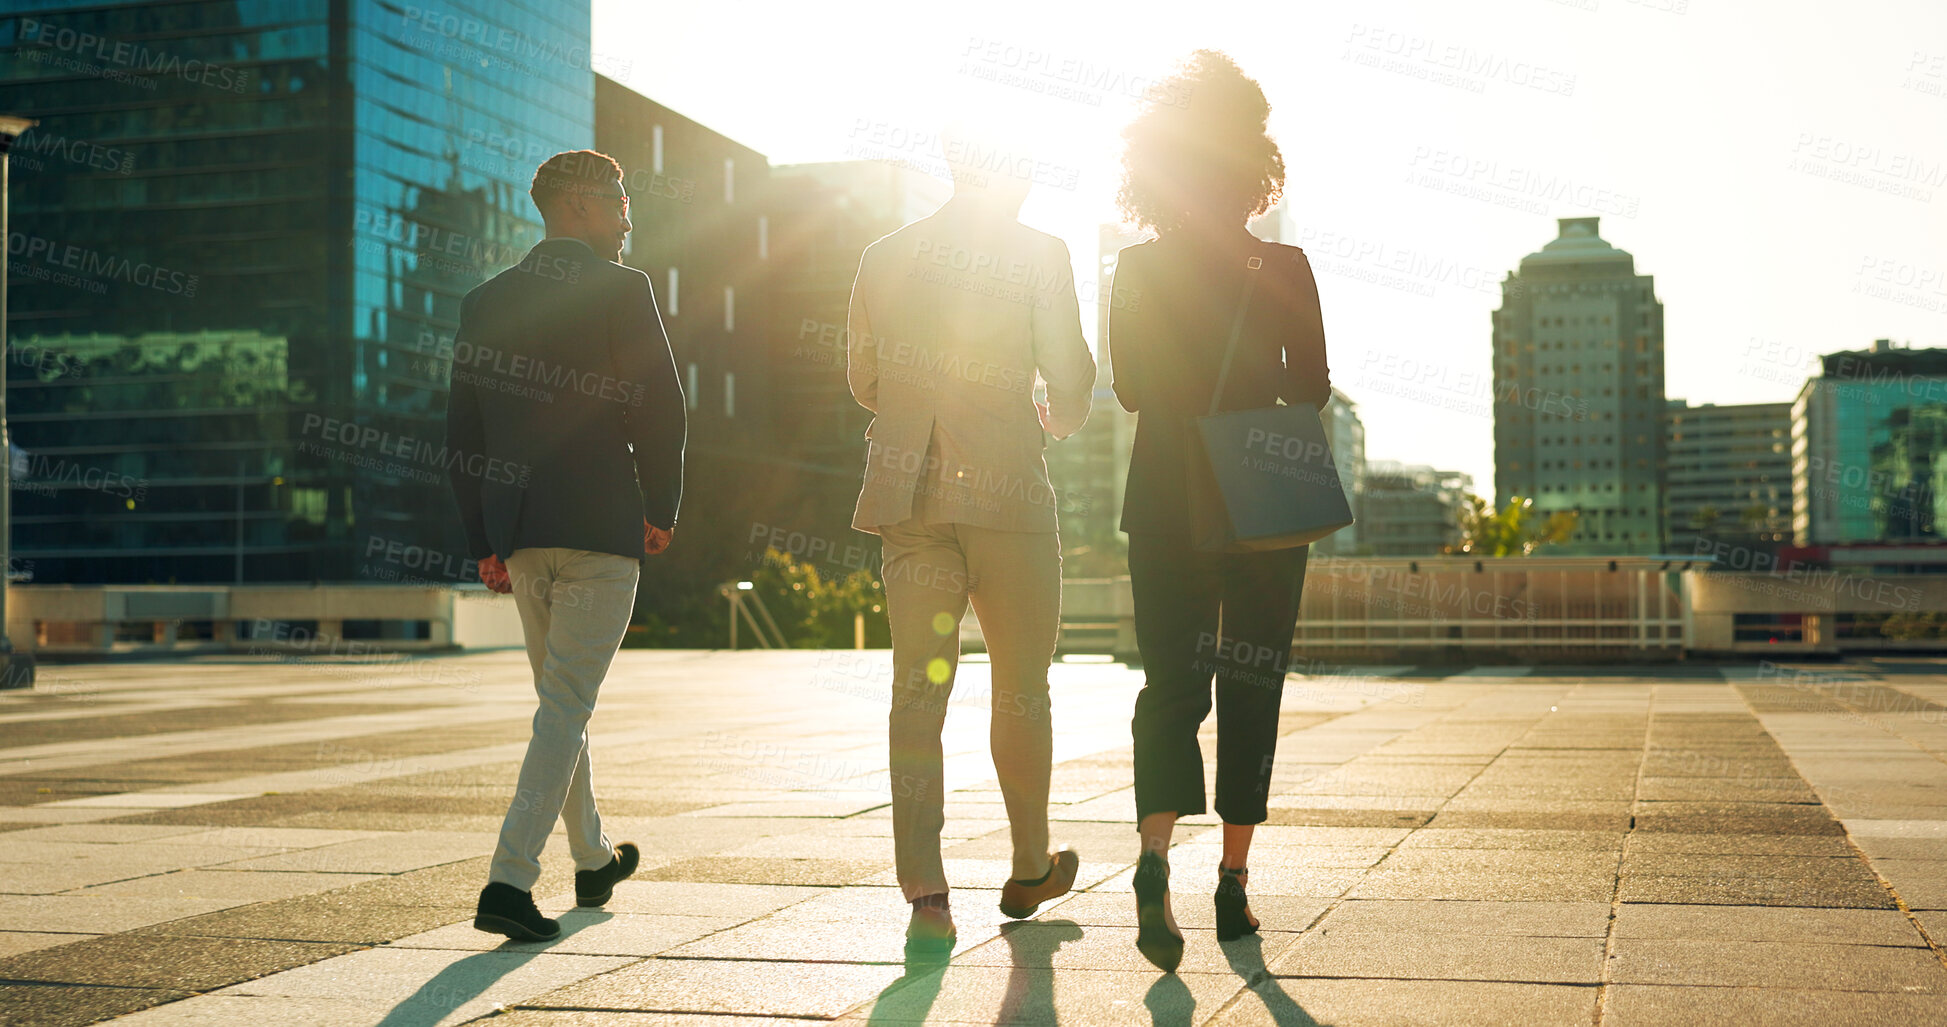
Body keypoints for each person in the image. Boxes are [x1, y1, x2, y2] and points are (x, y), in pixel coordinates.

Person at [846, 126, 1098, 958]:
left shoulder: (883, 254)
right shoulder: (1040, 252)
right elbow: (1069, 376)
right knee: (1021, 687)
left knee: (916, 695)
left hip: (909, 495)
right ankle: (1029, 863)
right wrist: (1052, 419)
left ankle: (925, 891)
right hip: (1007, 495)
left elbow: (863, 380)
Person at [1107, 52, 1330, 971]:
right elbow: (1310, 386)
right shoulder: (1280, 262)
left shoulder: (1135, 267)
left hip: (1164, 492)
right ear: (1252, 162)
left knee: (1169, 682)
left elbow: (1127, 391)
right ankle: (1233, 882)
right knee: (1251, 680)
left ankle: (1154, 854)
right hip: (1260, 491)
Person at [444, 149, 687, 942]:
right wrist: (662, 505)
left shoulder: (485, 300)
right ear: (579, 206)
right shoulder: (624, 289)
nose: (627, 213)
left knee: (561, 701)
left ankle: (592, 859)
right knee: (565, 705)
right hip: (599, 530)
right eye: (618, 199)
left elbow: (463, 432)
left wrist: (484, 538)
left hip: (520, 534)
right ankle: (508, 880)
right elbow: (661, 409)